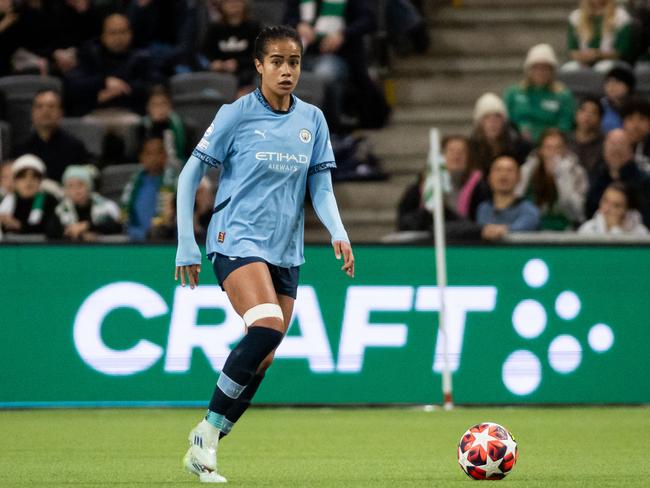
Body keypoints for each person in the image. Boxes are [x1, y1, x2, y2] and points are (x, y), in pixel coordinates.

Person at [174, 25, 353, 482]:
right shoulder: (236, 114)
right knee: (267, 325)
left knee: (265, 354)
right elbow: (190, 174)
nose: (286, 70)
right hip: (235, 239)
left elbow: (321, 184)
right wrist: (186, 240)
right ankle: (206, 435)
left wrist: (338, 230)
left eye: (293, 62)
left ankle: (207, 442)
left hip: (286, 251)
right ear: (258, 65)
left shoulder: (312, 119)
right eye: (276, 61)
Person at [285, 0, 388, 131]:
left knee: (325, 73)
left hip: (339, 56)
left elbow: (369, 20)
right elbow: (287, 19)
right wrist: (298, 25)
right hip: (302, 54)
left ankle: (329, 126)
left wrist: (342, 35)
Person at [64, 13, 157, 116]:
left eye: (122, 32)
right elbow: (74, 85)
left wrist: (118, 91)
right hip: (94, 112)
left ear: (130, 34)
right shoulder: (90, 55)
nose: (118, 37)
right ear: (103, 36)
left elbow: (151, 85)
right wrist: (104, 82)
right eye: (113, 33)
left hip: (131, 113)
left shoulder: (141, 57)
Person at [397, 135, 485, 232]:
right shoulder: (419, 188)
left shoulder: (480, 188)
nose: (456, 155)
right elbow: (403, 223)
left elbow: (481, 226)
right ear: (440, 156)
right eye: (451, 151)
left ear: (469, 157)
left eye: (462, 152)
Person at [516, 129, 588, 230]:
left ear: (565, 150)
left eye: (558, 148)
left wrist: (561, 176)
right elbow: (517, 199)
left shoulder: (577, 172)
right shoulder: (527, 170)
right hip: (531, 226)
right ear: (540, 150)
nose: (553, 153)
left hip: (566, 227)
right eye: (548, 148)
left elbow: (576, 211)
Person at [504, 44, 576, 143]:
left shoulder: (562, 95)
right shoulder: (514, 93)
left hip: (550, 143)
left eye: (545, 68)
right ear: (528, 70)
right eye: (536, 68)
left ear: (552, 71)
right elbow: (505, 120)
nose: (540, 72)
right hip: (518, 142)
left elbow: (565, 125)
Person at [12, 89, 89, 183]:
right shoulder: (20, 149)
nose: (45, 111)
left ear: (61, 112)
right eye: (39, 106)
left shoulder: (75, 147)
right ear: (32, 113)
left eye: (51, 106)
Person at [586, 128, 650, 226]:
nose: (615, 149)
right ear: (604, 150)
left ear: (631, 151)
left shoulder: (644, 182)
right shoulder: (596, 179)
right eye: (612, 144)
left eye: (621, 145)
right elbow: (588, 211)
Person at [121, 136, 178, 241]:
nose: (154, 158)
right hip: (134, 240)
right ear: (141, 157)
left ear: (165, 156)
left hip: (167, 241)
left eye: (158, 153)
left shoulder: (175, 183)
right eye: (149, 153)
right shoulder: (133, 184)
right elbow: (125, 216)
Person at [200, 0, 261, 97]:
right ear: (222, 5)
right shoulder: (214, 28)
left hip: (247, 72)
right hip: (219, 72)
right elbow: (204, 52)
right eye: (229, 2)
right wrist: (214, 63)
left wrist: (238, 63)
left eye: (238, 1)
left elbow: (259, 54)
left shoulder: (254, 27)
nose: (234, 4)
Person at [47, 165, 121, 241]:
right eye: (70, 186)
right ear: (65, 191)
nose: (76, 191)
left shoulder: (107, 206)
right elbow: (51, 232)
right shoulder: (60, 209)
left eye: (80, 185)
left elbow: (117, 227)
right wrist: (77, 234)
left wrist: (87, 226)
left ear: (89, 187)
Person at [476, 155, 540, 241]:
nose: (503, 175)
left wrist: (503, 230)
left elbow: (523, 227)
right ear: (489, 177)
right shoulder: (483, 208)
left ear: (519, 177)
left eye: (509, 170)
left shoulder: (529, 209)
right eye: (498, 170)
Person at [127, 0, 198, 75]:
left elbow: (185, 46)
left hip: (173, 59)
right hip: (144, 57)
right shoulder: (140, 4)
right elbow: (129, 39)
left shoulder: (187, 6)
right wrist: (139, 9)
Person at [468, 92, 532, 174]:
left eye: (497, 117)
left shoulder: (520, 146)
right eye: (487, 117)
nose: (493, 122)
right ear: (480, 123)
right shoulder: (472, 148)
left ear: (504, 121)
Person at [564, 0, 633, 72]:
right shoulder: (576, 17)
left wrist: (598, 55)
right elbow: (572, 50)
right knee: (569, 69)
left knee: (601, 68)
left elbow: (621, 51)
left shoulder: (620, 16)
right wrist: (583, 57)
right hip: (583, 61)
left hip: (611, 61)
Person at [0, 154, 58, 236]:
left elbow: (52, 231)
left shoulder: (49, 201)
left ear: (41, 181)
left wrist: (19, 226)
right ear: (15, 181)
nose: (28, 181)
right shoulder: (5, 200)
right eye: (22, 176)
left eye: (34, 176)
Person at [138, 85, 191, 166]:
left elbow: (188, 155)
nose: (160, 109)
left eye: (163, 104)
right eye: (155, 105)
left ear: (170, 106)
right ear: (148, 107)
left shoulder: (184, 127)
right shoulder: (141, 128)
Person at [579, 181, 649, 235]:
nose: (607, 208)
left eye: (616, 205)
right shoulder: (587, 229)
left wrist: (615, 229)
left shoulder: (641, 233)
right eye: (605, 201)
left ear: (627, 209)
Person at [567, 95, 605, 175]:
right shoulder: (564, 140)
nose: (587, 116)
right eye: (583, 110)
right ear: (576, 114)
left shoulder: (605, 145)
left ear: (600, 119)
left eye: (593, 112)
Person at [601, 65, 635, 134]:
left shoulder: (636, 107)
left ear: (628, 86)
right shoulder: (599, 104)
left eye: (618, 82)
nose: (612, 85)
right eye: (608, 82)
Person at [620, 97, 650, 172]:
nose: (636, 126)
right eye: (630, 119)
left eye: (642, 119)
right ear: (623, 123)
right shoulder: (615, 147)